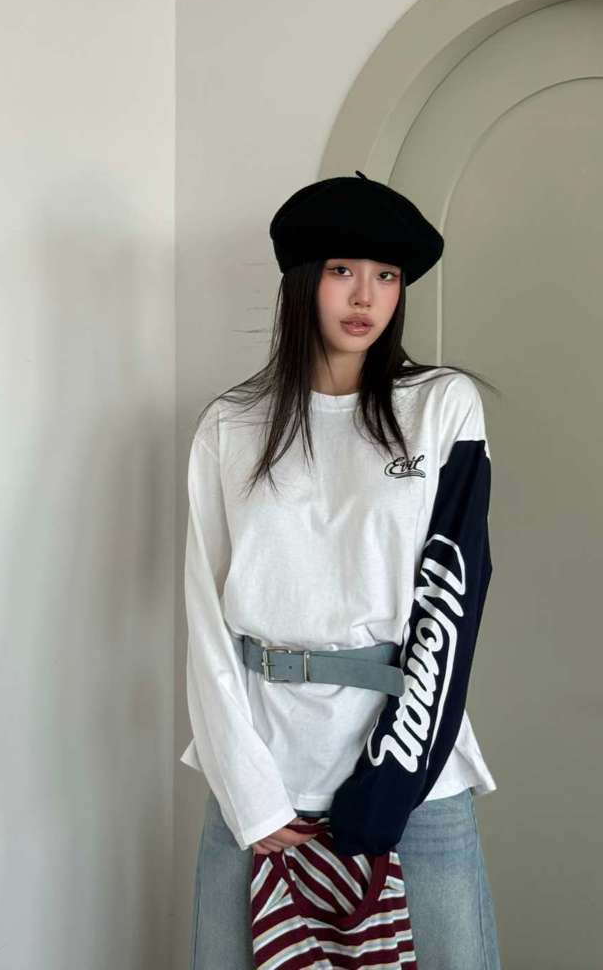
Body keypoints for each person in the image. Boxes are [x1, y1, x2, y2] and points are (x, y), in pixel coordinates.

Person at [181, 171, 503, 969]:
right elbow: (204, 616)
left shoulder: (440, 406)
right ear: (302, 281)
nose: (365, 296)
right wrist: (249, 794)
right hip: (263, 774)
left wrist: (392, 777)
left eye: (386, 276)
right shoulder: (231, 426)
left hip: (412, 775)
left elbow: (452, 598)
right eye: (341, 270)